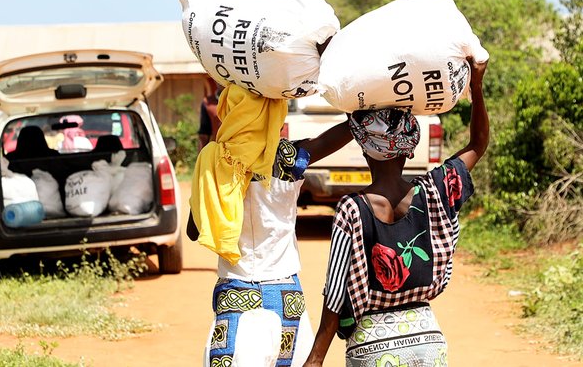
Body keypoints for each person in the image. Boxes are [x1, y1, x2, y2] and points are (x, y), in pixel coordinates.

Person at [303, 57, 489, 367]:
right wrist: (477, 86)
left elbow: (335, 292)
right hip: (429, 339)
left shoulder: (352, 209)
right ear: (409, 147)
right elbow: (478, 143)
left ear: (365, 149)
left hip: (372, 346)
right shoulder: (436, 190)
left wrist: (316, 358)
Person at [188, 119, 353, 366]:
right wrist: (365, 114)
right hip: (287, 295)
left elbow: (194, 229)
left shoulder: (217, 160)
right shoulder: (288, 157)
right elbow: (329, 140)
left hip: (236, 294)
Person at [197, 79, 223, 151]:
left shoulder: (240, 101)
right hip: (218, 153)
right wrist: (201, 158)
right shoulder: (207, 103)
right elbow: (204, 134)